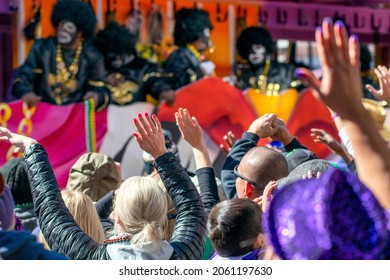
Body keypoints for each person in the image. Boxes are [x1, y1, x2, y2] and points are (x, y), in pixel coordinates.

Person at [0, 112, 206, 260]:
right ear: (163, 216)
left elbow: (51, 212)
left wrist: (32, 149)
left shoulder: (92, 260)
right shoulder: (182, 256)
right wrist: (161, 154)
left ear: (116, 216)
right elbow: (192, 208)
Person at [11, 0, 110, 110]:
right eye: (60, 24)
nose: (62, 29)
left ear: (80, 32)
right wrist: (26, 92)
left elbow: (102, 88)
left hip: (76, 118)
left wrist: (96, 96)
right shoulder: (42, 48)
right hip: (42, 116)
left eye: (68, 26)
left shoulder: (93, 56)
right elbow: (23, 76)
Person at [221, 114, 311, 199]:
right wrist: (287, 139)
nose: (270, 147)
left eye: (236, 172)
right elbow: (307, 159)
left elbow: (228, 174)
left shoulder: (242, 212)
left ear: (247, 189)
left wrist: (252, 133)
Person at [153, 8, 215, 105]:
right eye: (205, 33)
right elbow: (174, 84)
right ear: (195, 34)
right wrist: (200, 72)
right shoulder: (180, 55)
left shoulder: (197, 55)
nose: (207, 38)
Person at [94, 23, 162, 105]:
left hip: (136, 114)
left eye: (120, 54)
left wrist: (162, 90)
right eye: (112, 55)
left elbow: (154, 81)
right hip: (109, 115)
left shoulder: (142, 66)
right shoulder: (101, 69)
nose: (117, 58)